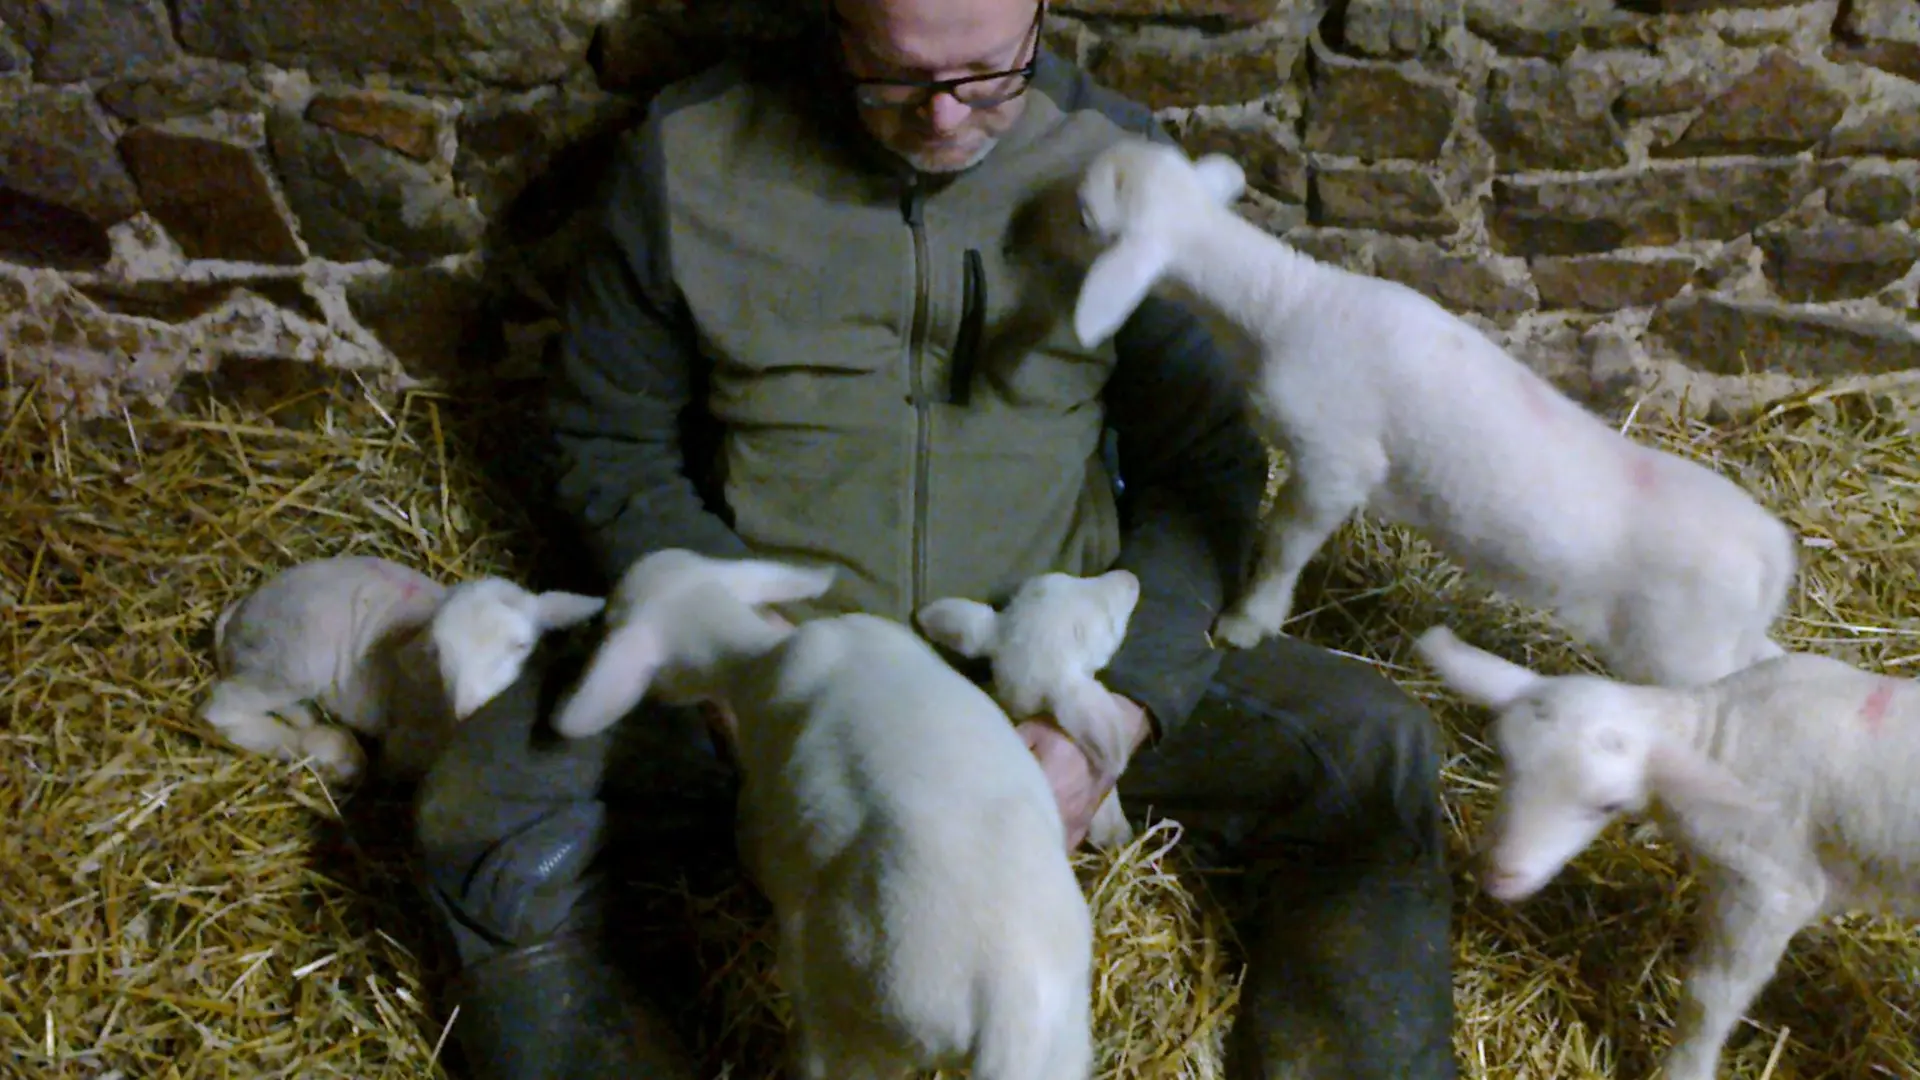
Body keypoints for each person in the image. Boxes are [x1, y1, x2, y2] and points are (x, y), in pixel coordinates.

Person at [410, 1, 1459, 1077]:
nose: (946, 117)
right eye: (895, 78)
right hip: (789, 669)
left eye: (990, 75)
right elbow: (605, 441)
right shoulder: (689, 157)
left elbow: (1209, 468)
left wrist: (1124, 707)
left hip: (1038, 658)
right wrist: (737, 663)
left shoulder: (1121, 169)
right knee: (484, 803)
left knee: (1369, 748)